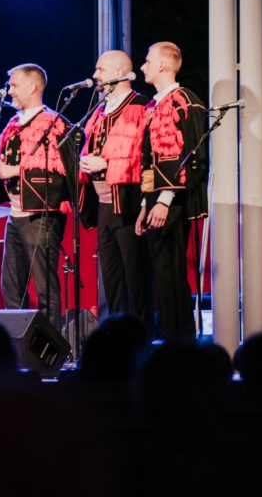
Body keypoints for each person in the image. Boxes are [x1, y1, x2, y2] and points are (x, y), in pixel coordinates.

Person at [0, 63, 78, 329]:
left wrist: (14, 169)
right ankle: (19, 345)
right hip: (15, 213)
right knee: (11, 285)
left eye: (14, 85)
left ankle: (50, 346)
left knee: (44, 285)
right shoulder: (13, 123)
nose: (9, 91)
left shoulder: (53, 124)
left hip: (40, 215)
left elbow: (59, 169)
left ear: (32, 87)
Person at [135, 41, 208, 342]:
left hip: (173, 198)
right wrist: (144, 204)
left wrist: (164, 201)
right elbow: (150, 159)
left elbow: (188, 154)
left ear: (163, 65)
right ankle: (171, 341)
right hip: (156, 198)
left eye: (148, 61)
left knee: (171, 273)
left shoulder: (183, 101)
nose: (143, 66)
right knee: (161, 274)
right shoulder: (154, 105)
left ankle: (182, 344)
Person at [78, 50, 153, 331]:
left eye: (101, 69)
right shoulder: (98, 111)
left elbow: (144, 157)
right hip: (104, 205)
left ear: (121, 72)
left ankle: (142, 340)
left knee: (136, 278)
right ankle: (116, 340)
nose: (95, 75)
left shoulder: (141, 106)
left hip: (129, 203)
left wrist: (105, 163)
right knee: (111, 280)